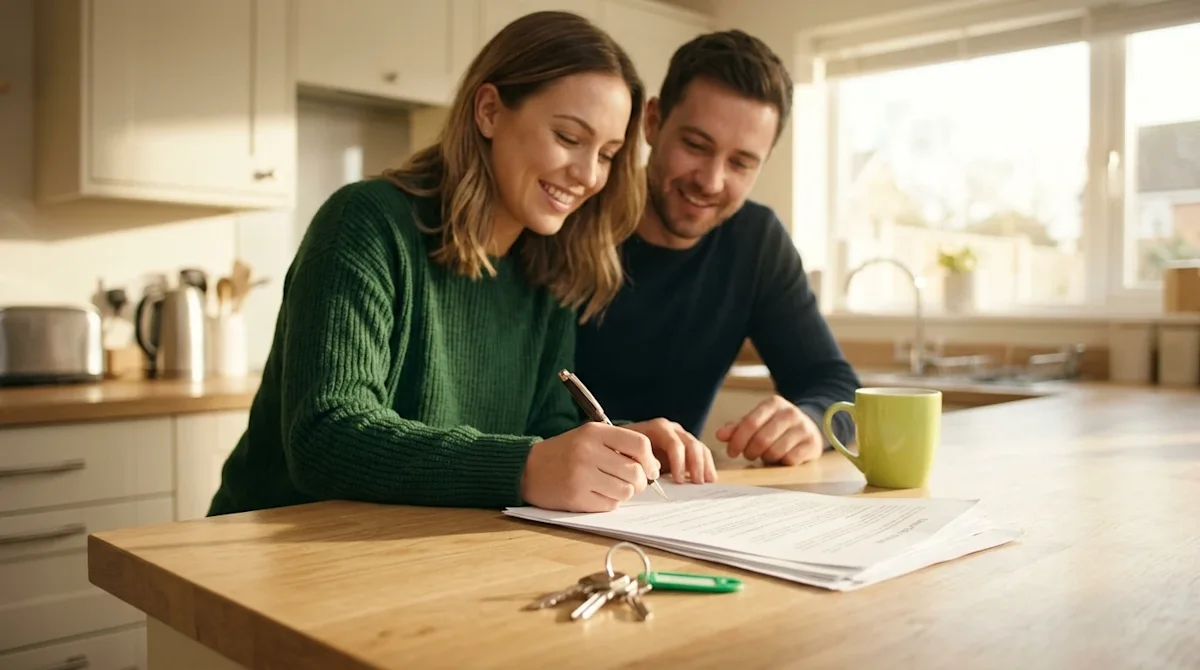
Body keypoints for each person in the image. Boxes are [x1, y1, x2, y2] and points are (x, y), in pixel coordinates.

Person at [207, 11, 673, 517]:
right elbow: (326, 436)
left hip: (412, 555)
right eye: (567, 137)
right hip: (274, 552)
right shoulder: (365, 223)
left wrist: (615, 448)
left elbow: (546, 431)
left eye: (607, 154)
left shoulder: (548, 266)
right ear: (490, 111)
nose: (587, 174)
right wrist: (524, 467)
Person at [574, 29, 860, 482]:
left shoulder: (757, 241)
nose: (711, 180)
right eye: (696, 146)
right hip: (549, 499)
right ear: (652, 121)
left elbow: (837, 387)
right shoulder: (575, 212)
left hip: (673, 507)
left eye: (741, 163)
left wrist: (809, 420)